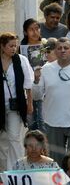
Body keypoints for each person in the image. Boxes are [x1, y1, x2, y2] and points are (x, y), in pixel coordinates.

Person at [0, 33, 33, 171]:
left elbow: (28, 84)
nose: (14, 48)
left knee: (14, 137)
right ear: (2, 46)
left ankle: (17, 170)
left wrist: (29, 103)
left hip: (16, 105)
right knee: (2, 139)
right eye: (11, 46)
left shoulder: (21, 60)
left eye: (16, 45)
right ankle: (3, 170)